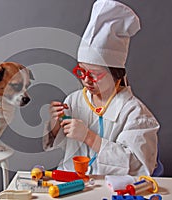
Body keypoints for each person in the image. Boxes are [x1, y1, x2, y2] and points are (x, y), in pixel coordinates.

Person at [43, 0, 162, 176]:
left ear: (116, 74)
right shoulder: (73, 101)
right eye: (81, 72)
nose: (86, 81)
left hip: (109, 187)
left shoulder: (135, 113)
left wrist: (89, 137)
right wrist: (54, 125)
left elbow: (139, 167)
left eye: (95, 74)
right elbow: (53, 146)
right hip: (70, 181)